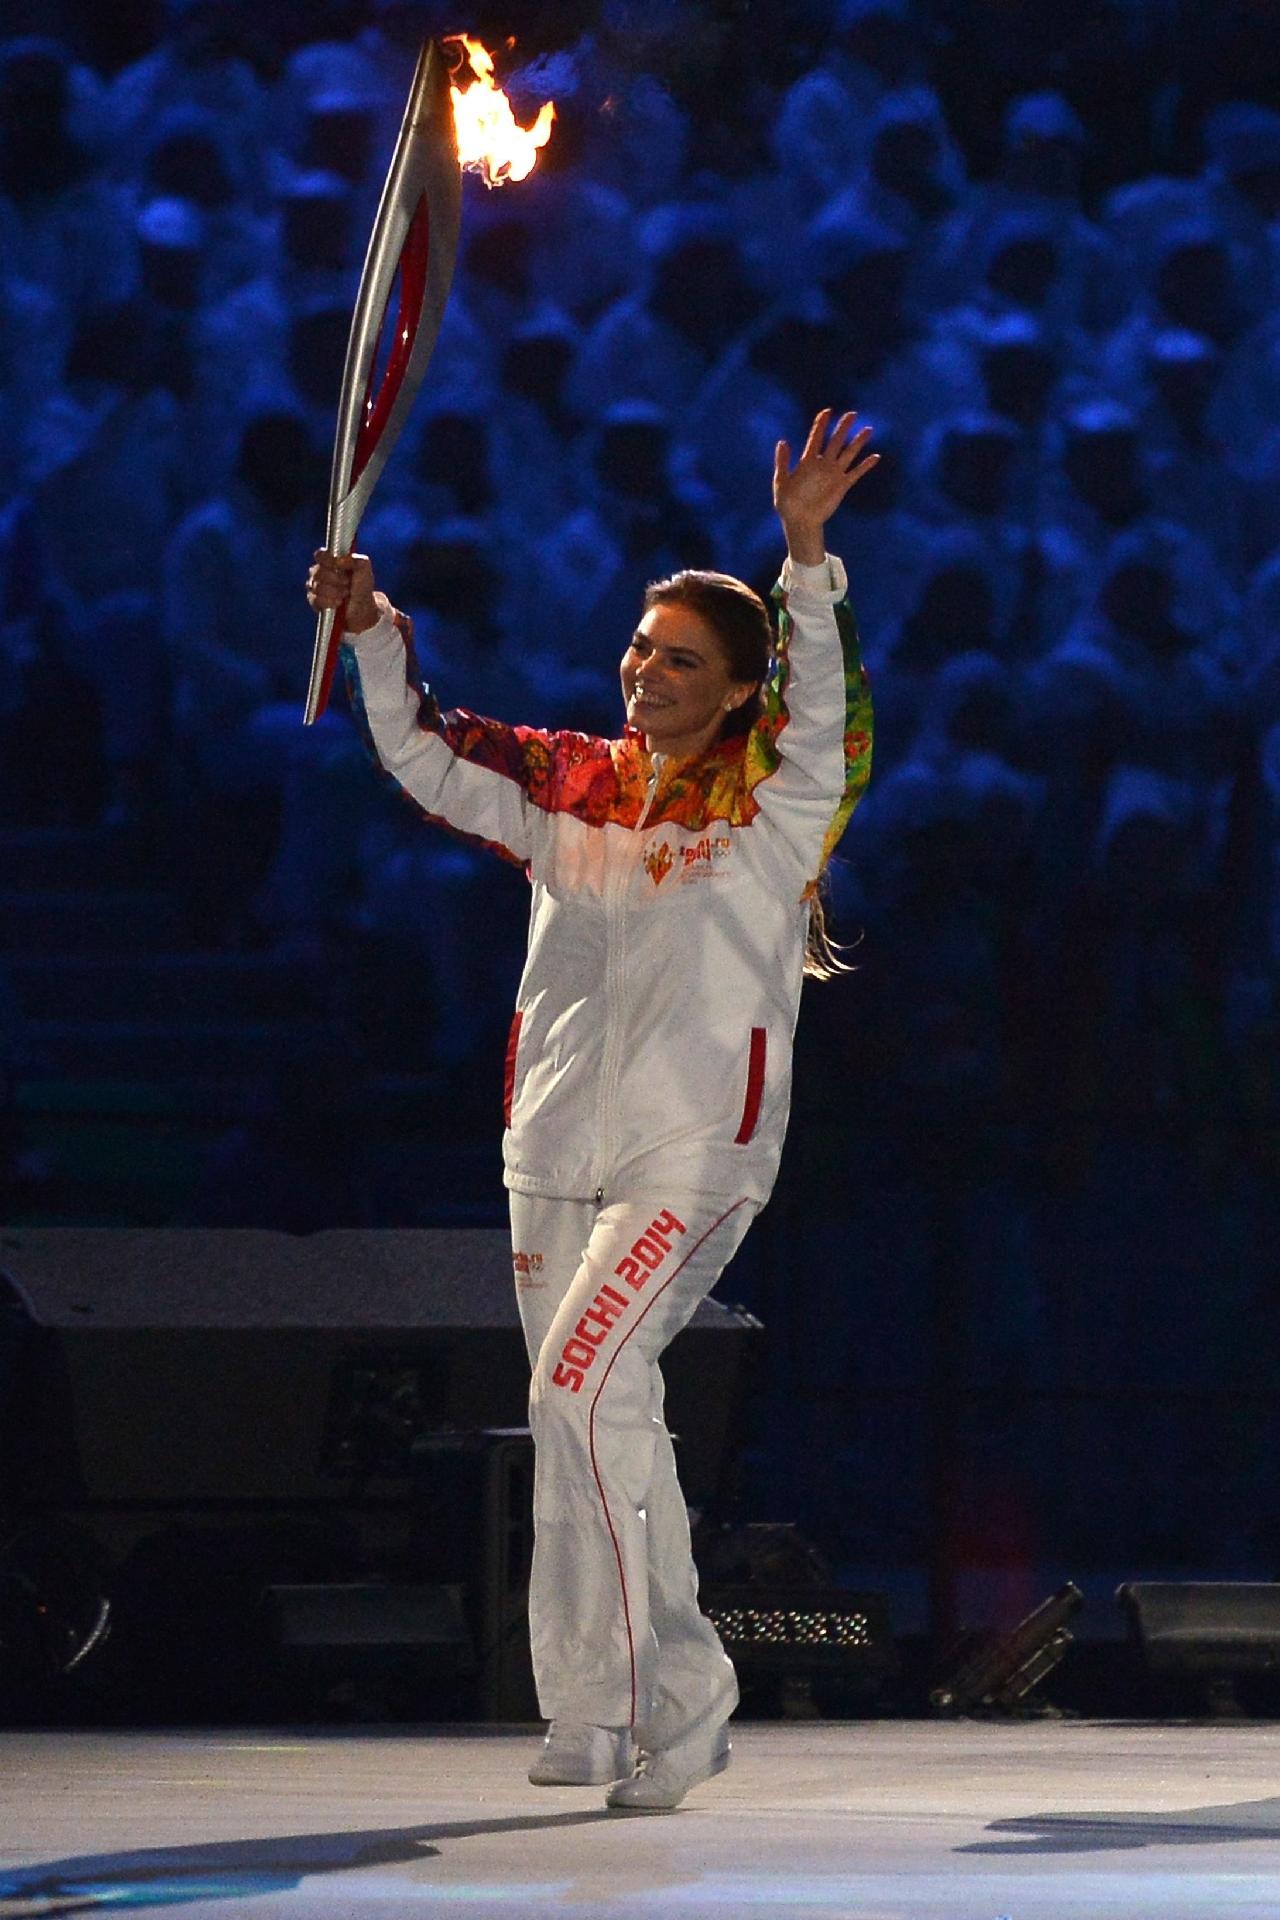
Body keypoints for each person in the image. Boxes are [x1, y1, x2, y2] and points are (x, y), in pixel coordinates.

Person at [305, 408, 878, 1811]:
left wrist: (806, 557)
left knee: (581, 1386)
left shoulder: (777, 809)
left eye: (684, 660)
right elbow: (430, 755)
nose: (648, 671)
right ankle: (591, 1708)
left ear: (740, 691)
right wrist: (374, 629)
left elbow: (827, 712)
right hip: (554, 1147)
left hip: (693, 1156)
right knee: (586, 1414)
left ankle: (680, 1699)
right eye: (642, 647)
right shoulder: (572, 789)